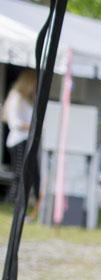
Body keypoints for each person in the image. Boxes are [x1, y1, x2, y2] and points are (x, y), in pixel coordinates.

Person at [2, 68, 38, 204]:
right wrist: (32, 127)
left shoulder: (26, 98)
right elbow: (14, 121)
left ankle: (16, 199)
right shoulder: (16, 96)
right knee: (18, 172)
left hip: (25, 139)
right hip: (18, 140)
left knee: (23, 172)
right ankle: (11, 200)